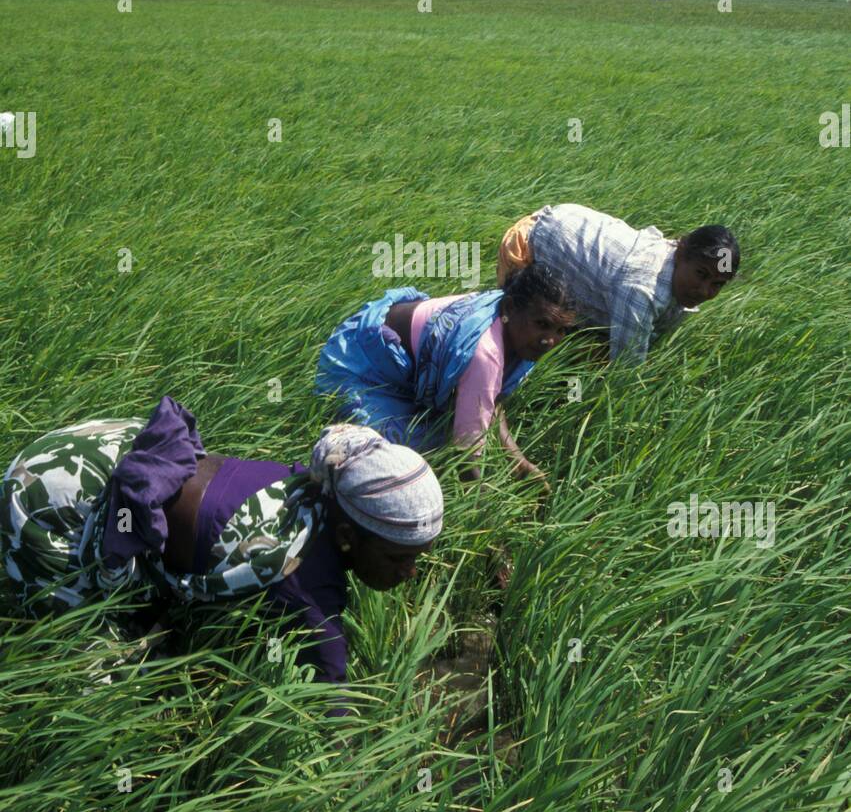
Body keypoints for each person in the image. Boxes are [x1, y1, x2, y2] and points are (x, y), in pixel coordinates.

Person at [0, 397, 443, 710]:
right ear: (348, 535)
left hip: (110, 448)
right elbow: (332, 687)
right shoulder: (304, 575)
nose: (411, 571)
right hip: (58, 497)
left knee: (157, 623)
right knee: (107, 685)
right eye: (397, 558)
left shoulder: (314, 492)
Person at [315, 263, 575, 482]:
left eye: (561, 330)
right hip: (357, 363)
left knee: (447, 427)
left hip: (398, 365)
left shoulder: (510, 321)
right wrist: (485, 521)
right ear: (508, 308)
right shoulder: (485, 352)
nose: (550, 340)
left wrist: (518, 461)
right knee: (403, 461)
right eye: (542, 325)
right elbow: (465, 455)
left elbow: (491, 398)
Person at [497, 205, 740, 364]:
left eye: (717, 284)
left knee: (588, 350)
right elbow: (626, 371)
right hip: (533, 242)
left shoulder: (677, 277)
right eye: (701, 274)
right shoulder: (643, 290)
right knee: (516, 341)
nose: (704, 290)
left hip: (570, 230)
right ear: (680, 252)